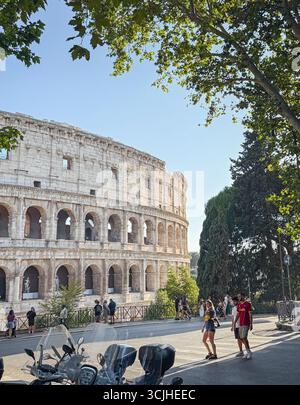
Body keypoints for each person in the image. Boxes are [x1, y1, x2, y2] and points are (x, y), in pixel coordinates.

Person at [234, 292, 253, 360]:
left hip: (246, 323)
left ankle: (249, 352)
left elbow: (250, 314)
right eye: (238, 296)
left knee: (244, 337)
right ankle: (247, 351)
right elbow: (238, 314)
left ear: (243, 296)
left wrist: (251, 324)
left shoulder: (248, 304)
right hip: (240, 324)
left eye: (239, 296)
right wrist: (235, 322)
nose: (238, 298)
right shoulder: (239, 304)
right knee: (241, 338)